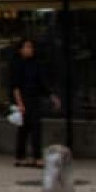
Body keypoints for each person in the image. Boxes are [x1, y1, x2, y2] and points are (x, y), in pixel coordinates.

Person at [9, 38, 59, 168]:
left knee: (36, 128)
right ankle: (20, 157)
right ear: (20, 50)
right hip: (23, 99)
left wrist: (51, 96)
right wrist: (20, 103)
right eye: (27, 47)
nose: (30, 49)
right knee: (23, 129)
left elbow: (42, 84)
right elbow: (15, 86)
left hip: (34, 99)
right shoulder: (17, 65)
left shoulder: (36, 64)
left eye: (31, 47)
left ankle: (37, 157)